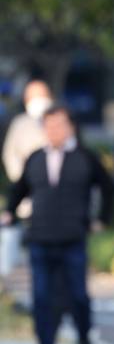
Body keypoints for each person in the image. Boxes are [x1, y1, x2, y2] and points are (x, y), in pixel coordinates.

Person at [1, 104, 114, 344]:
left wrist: (101, 220)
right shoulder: (35, 158)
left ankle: (84, 337)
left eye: (59, 125)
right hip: (40, 236)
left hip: (73, 237)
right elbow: (19, 190)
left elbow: (108, 188)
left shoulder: (85, 157)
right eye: (49, 126)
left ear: (70, 127)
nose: (53, 131)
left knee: (77, 295)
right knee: (42, 296)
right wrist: (9, 212)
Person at [1, 80, 53, 275]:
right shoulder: (20, 124)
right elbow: (10, 155)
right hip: (27, 191)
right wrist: (22, 180)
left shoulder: (57, 119)